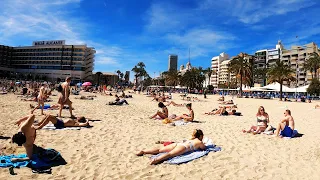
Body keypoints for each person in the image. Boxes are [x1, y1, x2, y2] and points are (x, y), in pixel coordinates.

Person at [136, 129, 206, 165]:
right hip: (183, 147)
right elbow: (204, 148)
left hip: (178, 144)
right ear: (200, 136)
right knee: (170, 154)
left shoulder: (191, 138)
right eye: (202, 136)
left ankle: (143, 151)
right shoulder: (199, 142)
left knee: (160, 150)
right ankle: (156, 160)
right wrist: (204, 144)